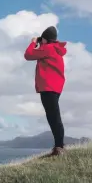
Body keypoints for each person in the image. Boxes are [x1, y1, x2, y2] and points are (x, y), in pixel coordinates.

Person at [24, 26, 67, 156]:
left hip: (48, 87)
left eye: (42, 39)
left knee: (53, 117)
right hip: (55, 87)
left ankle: (59, 147)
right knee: (53, 116)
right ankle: (58, 146)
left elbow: (28, 55)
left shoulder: (47, 49)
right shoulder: (55, 49)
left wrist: (33, 42)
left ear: (45, 39)